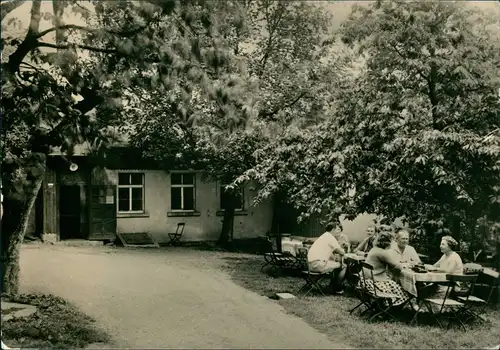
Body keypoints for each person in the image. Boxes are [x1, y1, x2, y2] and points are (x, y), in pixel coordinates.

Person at [361, 231, 410, 306]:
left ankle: (382, 306)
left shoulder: (375, 249)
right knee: (404, 291)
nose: (394, 243)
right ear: (388, 242)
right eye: (393, 241)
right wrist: (406, 265)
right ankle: (393, 309)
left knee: (394, 283)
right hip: (374, 282)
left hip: (365, 279)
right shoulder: (383, 253)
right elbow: (397, 266)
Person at [307, 223, 347, 294]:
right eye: (336, 229)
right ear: (333, 230)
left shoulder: (324, 236)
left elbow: (329, 252)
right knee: (343, 266)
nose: (337, 232)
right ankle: (336, 288)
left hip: (310, 266)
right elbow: (341, 252)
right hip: (318, 265)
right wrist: (344, 251)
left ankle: (332, 286)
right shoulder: (330, 237)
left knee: (335, 264)